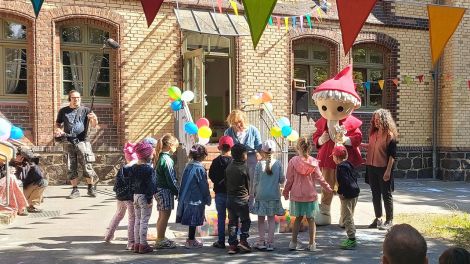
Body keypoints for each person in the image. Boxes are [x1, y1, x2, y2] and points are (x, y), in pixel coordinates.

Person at [311, 65, 363, 225]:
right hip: (327, 159)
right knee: (326, 186)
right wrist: (321, 140)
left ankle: (345, 216)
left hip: (345, 162)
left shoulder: (351, 123)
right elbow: (315, 137)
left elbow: (358, 138)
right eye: (325, 107)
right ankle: (325, 212)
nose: (331, 111)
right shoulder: (322, 123)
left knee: (345, 188)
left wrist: (346, 140)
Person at [283, 137, 332, 251]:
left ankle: (293, 243)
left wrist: (286, 192)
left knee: (298, 219)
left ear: (297, 148)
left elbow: (289, 179)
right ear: (309, 148)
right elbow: (320, 178)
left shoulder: (293, 161)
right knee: (311, 220)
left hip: (297, 195)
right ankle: (312, 244)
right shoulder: (313, 162)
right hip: (310, 195)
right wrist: (328, 188)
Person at [55, 90, 98, 199]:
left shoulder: (85, 110)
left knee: (87, 164)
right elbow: (58, 123)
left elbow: (94, 125)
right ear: (70, 99)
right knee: (70, 166)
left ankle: (90, 188)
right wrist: (58, 130)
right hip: (68, 141)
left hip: (83, 141)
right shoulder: (63, 111)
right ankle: (75, 190)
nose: (76, 100)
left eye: (78, 98)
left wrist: (94, 119)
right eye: (74, 98)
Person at [363, 108, 398, 230]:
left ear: (384, 119)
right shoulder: (373, 133)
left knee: (386, 194)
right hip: (371, 167)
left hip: (384, 168)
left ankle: (389, 220)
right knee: (375, 194)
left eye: (378, 119)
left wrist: (388, 171)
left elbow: (392, 155)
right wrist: (360, 145)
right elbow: (373, 146)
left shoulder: (389, 135)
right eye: (374, 119)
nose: (376, 121)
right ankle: (378, 218)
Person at [251, 140, 285, 251]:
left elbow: (255, 181)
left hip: (261, 195)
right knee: (271, 219)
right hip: (274, 195)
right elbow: (281, 180)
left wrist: (252, 193)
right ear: (274, 151)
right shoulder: (278, 164)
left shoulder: (258, 164)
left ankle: (261, 241)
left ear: (262, 151)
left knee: (261, 219)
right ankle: (270, 243)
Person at [176, 144, 211, 249]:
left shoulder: (188, 166)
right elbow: (203, 185)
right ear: (203, 156)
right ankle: (191, 240)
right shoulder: (200, 168)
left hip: (187, 197)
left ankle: (191, 239)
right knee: (193, 221)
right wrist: (207, 197)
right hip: (196, 198)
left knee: (192, 221)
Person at [104, 142, 137, 250]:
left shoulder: (123, 168)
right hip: (130, 198)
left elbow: (116, 184)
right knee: (132, 219)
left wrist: (118, 192)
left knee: (118, 214)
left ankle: (108, 235)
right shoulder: (136, 168)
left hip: (121, 196)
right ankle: (131, 242)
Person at [224, 110, 261, 195]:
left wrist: (257, 155)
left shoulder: (253, 130)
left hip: (251, 161)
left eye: (240, 122)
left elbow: (259, 146)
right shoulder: (228, 132)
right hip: (236, 163)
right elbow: (227, 149)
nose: (238, 125)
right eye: (234, 123)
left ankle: (251, 205)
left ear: (244, 119)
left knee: (251, 186)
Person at [225, 143, 251, 254]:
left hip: (230, 198)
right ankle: (243, 241)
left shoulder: (229, 167)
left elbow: (226, 182)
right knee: (245, 220)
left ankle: (232, 245)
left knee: (232, 222)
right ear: (243, 155)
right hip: (242, 198)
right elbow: (248, 184)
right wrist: (250, 194)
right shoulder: (245, 167)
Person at [154, 133, 179, 249]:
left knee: (161, 215)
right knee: (165, 215)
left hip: (159, 190)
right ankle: (160, 239)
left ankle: (161, 237)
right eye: (175, 146)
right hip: (164, 190)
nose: (176, 149)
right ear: (170, 146)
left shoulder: (160, 157)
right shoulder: (167, 160)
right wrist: (177, 191)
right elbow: (171, 179)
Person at [332, 145, 360, 250]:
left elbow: (344, 182)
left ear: (336, 157)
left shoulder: (340, 167)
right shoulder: (349, 164)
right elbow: (354, 177)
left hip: (348, 195)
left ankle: (352, 239)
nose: (333, 158)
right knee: (350, 215)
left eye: (333, 156)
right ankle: (352, 234)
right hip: (355, 192)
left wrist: (341, 192)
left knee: (346, 216)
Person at [208, 136, 234, 249]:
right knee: (233, 218)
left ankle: (221, 241)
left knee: (221, 218)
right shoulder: (235, 162)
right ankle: (233, 241)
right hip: (232, 194)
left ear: (219, 147)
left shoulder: (215, 162)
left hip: (219, 194)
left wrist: (218, 183)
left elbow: (211, 176)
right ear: (231, 147)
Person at [132, 142, 156, 254]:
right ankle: (143, 244)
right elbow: (151, 185)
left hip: (135, 196)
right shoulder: (149, 170)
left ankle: (136, 244)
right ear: (148, 155)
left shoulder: (133, 168)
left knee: (137, 220)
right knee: (144, 221)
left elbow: (131, 183)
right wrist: (150, 198)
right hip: (144, 197)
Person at [12, 146, 47, 213]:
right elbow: (19, 178)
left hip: (23, 188)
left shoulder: (29, 164)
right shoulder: (10, 163)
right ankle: (24, 205)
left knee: (43, 182)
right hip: (16, 192)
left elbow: (39, 176)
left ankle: (30, 205)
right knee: (42, 182)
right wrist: (17, 164)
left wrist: (31, 164)